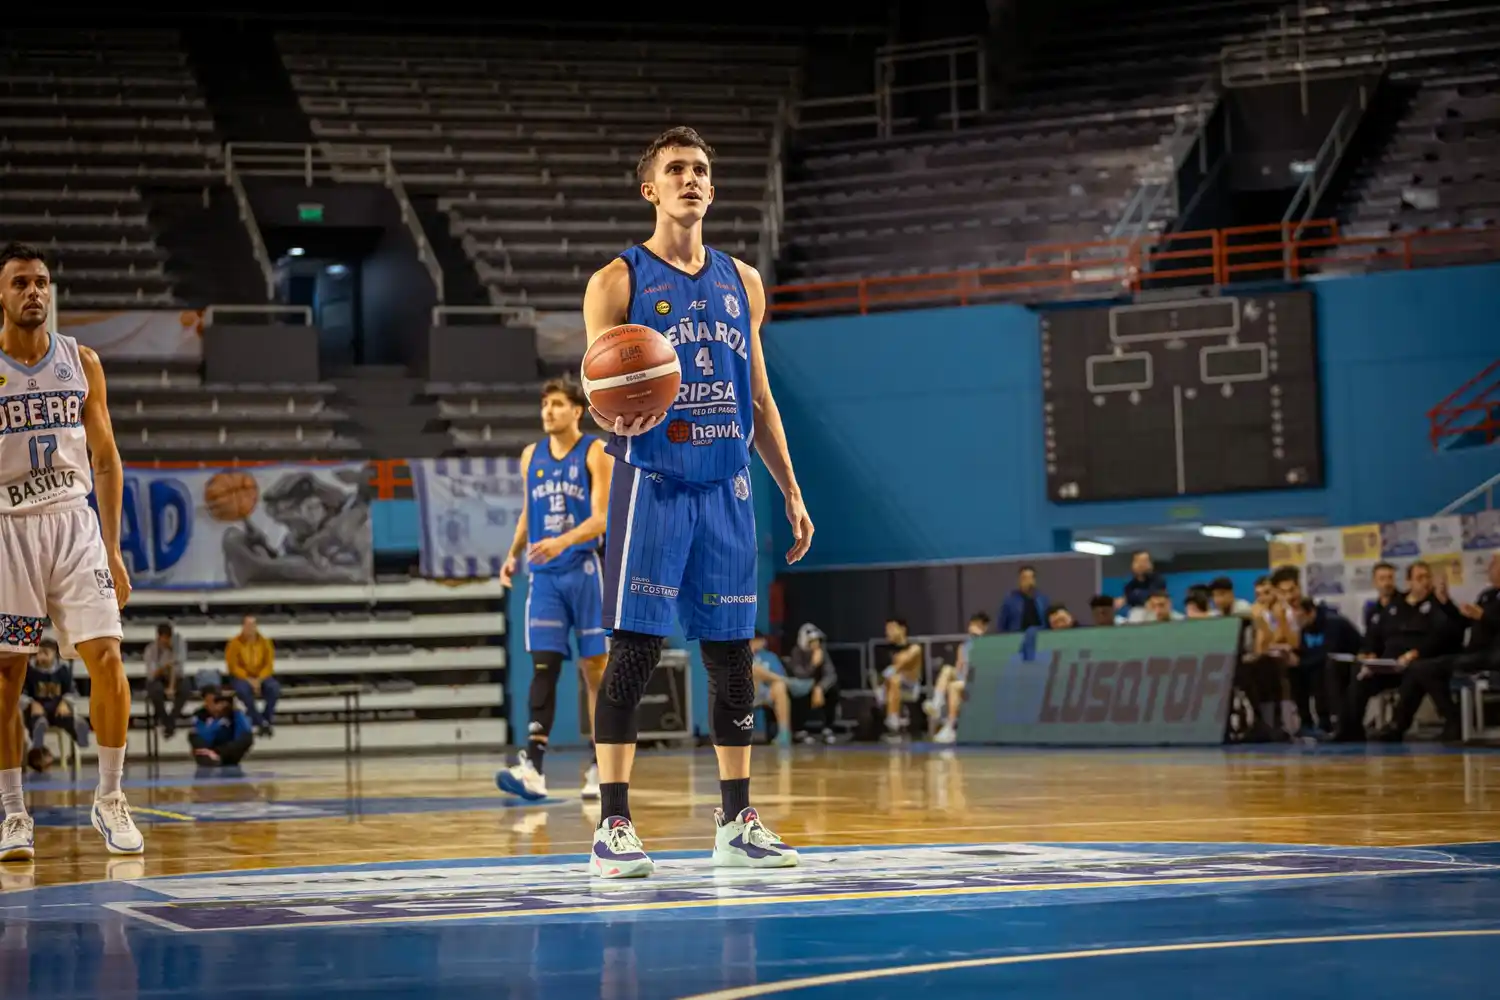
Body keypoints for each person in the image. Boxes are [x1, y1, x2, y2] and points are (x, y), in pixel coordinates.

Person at [580, 126, 813, 878]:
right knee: (634, 656)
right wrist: (614, 414)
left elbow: (762, 397)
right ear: (649, 188)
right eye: (676, 169)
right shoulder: (617, 280)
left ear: (712, 189)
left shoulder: (743, 281)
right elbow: (598, 394)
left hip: (729, 488)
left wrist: (791, 488)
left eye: (702, 169)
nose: (692, 178)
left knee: (731, 659)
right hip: (654, 484)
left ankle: (735, 821)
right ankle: (613, 826)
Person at [0, 242, 143, 861]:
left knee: (107, 656)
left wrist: (112, 548)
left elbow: (107, 461)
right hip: (8, 526)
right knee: (8, 676)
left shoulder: (80, 361)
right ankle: (11, 812)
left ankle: (110, 798)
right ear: (1, 296)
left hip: (73, 522)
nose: (34, 292)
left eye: (42, 282)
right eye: (20, 283)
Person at [496, 378, 612, 802]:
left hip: (583, 570)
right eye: (545, 404)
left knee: (595, 671)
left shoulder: (595, 451)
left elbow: (601, 518)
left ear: (577, 411)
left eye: (558, 404)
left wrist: (562, 541)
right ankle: (533, 769)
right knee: (543, 667)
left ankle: (602, 765)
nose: (548, 411)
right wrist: (512, 552)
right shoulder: (531, 456)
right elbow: (531, 510)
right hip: (544, 577)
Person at [929, 612, 990, 744]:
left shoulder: (988, 644)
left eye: (978, 625)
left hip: (977, 682)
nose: (974, 627)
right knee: (946, 670)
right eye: (972, 624)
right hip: (963, 680)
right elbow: (959, 667)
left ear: (985, 628)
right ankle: (937, 703)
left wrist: (979, 641)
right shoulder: (963, 646)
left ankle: (950, 728)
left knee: (954, 686)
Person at [22, 638, 90, 756]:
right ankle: (38, 741)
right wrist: (31, 703)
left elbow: (71, 691)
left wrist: (65, 702)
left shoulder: (62, 671)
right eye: (39, 652)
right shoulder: (28, 670)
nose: (41, 656)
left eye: (45, 653)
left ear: (54, 654)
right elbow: (21, 693)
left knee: (66, 717)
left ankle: (77, 729)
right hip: (37, 709)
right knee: (36, 720)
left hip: (57, 708)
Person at [225, 615, 279, 737]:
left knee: (274, 689)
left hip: (261, 676)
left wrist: (259, 679)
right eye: (247, 626)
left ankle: (266, 719)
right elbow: (233, 666)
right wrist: (249, 679)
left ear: (256, 627)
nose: (250, 628)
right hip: (241, 677)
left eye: (252, 626)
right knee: (243, 691)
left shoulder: (265, 642)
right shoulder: (234, 643)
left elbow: (269, 664)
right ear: (243, 627)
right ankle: (260, 722)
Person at [785, 623, 839, 743]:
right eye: (812, 641)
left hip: (819, 687)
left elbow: (831, 674)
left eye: (817, 640)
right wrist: (813, 665)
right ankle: (799, 730)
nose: (816, 644)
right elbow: (800, 675)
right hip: (802, 686)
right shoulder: (796, 652)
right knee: (799, 692)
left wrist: (820, 688)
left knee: (833, 690)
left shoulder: (822, 652)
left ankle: (828, 728)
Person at [188, 687, 255, 767]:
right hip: (209, 747)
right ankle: (209, 757)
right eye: (211, 701)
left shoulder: (233, 714)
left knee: (247, 737)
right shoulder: (201, 714)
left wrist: (236, 712)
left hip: (226, 750)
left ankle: (218, 755)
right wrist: (217, 722)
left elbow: (245, 731)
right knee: (194, 735)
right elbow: (205, 736)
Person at [880, 618, 925, 737]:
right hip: (887, 687)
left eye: (891, 628)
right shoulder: (886, 651)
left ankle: (893, 723)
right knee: (892, 680)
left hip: (910, 687)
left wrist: (893, 669)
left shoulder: (914, 648)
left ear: (902, 629)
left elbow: (900, 664)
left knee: (894, 678)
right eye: (887, 629)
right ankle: (892, 722)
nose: (888, 632)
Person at [144, 623, 189, 738]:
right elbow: (152, 674)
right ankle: (167, 722)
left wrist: (171, 687)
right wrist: (165, 666)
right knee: (155, 691)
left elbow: (178, 668)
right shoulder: (151, 650)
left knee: (185, 688)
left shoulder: (179, 645)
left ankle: (172, 719)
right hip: (159, 678)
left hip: (175, 677)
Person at [749, 633, 791, 747]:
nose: (755, 643)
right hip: (748, 693)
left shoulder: (770, 657)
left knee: (780, 686)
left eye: (758, 640)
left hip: (767, 692)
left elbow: (779, 679)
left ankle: (784, 733)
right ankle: (791, 682)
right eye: (752, 640)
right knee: (753, 668)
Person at [997, 565, 1049, 632]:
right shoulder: (1010, 601)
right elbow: (1002, 625)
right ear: (1019, 581)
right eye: (1025, 578)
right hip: (1016, 636)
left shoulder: (1043, 600)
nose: (1028, 581)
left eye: (1031, 578)